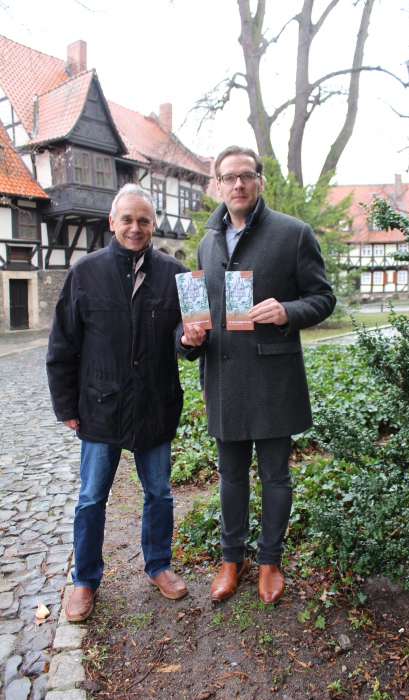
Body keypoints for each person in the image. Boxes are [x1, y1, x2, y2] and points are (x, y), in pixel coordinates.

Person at [47, 184, 205, 622]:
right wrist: (66, 406)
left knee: (159, 493)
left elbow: (185, 337)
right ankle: (85, 580)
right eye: (128, 219)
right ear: (112, 222)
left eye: (144, 220)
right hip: (100, 406)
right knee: (91, 497)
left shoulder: (176, 273)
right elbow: (63, 344)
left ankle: (158, 565)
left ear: (153, 224)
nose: (136, 228)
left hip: (155, 403)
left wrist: (189, 341)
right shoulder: (85, 272)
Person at [197, 146, 336, 604]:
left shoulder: (293, 234)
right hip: (223, 376)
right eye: (229, 177)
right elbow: (205, 311)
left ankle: (270, 560)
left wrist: (287, 311)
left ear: (259, 181)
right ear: (218, 185)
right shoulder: (207, 241)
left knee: (276, 477)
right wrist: (192, 335)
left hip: (273, 379)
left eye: (246, 176)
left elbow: (322, 298)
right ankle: (230, 559)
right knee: (231, 477)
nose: (238, 184)